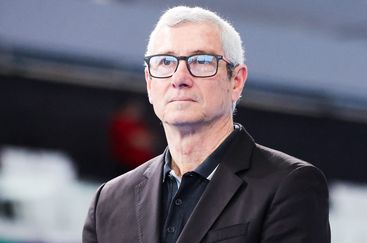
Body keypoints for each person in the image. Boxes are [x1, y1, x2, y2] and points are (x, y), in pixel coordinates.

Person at [83, 6, 330, 243]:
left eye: (201, 61)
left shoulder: (289, 186)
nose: (179, 78)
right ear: (149, 82)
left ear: (236, 81)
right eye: (166, 62)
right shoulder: (108, 202)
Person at [108, 100, 155, 175]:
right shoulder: (120, 122)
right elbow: (135, 141)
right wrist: (142, 139)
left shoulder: (140, 124)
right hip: (127, 165)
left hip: (144, 166)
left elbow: (150, 141)